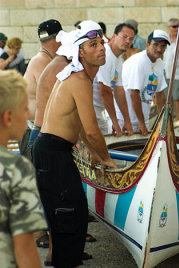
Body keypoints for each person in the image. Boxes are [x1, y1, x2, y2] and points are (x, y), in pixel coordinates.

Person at [32, 20, 117, 267]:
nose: (101, 47)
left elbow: (79, 124)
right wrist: (106, 158)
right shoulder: (78, 79)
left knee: (71, 213)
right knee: (69, 215)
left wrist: (92, 151)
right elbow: (91, 131)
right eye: (93, 44)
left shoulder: (78, 76)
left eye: (102, 42)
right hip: (52, 150)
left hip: (53, 149)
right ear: (81, 51)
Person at [0, 70, 48, 268]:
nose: (29, 114)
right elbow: (25, 247)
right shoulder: (15, 168)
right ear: (9, 117)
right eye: (24, 108)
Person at [20, 19, 63, 160]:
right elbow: (52, 94)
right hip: (31, 128)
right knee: (36, 177)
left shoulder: (45, 59)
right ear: (56, 38)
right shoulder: (41, 61)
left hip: (35, 127)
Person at [120, 29, 168, 136]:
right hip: (126, 119)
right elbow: (134, 94)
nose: (159, 49)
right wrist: (141, 123)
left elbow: (160, 95)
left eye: (163, 46)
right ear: (147, 45)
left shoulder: (159, 63)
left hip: (142, 117)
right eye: (155, 45)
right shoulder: (139, 61)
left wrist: (163, 122)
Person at [93, 23, 134, 136]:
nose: (127, 41)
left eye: (131, 39)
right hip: (90, 109)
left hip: (99, 111)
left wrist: (127, 120)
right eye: (124, 37)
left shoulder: (119, 59)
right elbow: (105, 91)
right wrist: (115, 122)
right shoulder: (105, 54)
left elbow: (119, 91)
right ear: (114, 36)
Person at [164, 18, 179, 120]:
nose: (176, 28)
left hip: (178, 72)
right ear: (169, 27)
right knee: (167, 97)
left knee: (178, 96)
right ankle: (169, 118)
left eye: (178, 26)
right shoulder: (165, 39)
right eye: (174, 26)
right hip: (166, 71)